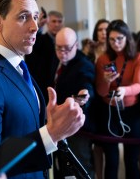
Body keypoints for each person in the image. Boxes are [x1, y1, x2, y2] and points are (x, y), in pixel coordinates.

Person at [0, 0, 85, 179]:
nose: (34, 26)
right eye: (23, 17)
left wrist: (48, 124)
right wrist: (50, 133)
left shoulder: (20, 69)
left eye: (35, 16)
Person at [95, 20, 140, 179]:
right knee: (111, 160)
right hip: (110, 110)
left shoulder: (139, 57)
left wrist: (124, 90)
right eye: (111, 40)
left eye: (119, 39)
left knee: (131, 160)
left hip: (132, 110)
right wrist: (106, 81)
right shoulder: (103, 59)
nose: (116, 43)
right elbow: (101, 91)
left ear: (127, 37)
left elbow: (139, 84)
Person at [52, 27, 95, 178]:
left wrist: (84, 94)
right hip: (58, 125)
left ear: (76, 45)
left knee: (80, 166)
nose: (62, 52)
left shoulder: (84, 64)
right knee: (62, 168)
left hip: (78, 128)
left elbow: (86, 82)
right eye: (59, 48)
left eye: (67, 48)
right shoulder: (56, 60)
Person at [25, 10, 64, 103]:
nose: (57, 24)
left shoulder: (66, 43)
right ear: (47, 23)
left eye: (59, 21)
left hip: (62, 91)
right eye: (54, 21)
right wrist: (38, 27)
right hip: (43, 91)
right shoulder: (39, 41)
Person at [90, 18, 109, 179]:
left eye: (106, 30)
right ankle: (99, 176)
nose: (104, 32)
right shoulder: (90, 51)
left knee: (108, 144)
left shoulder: (115, 51)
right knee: (97, 144)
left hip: (108, 101)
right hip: (93, 99)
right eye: (100, 29)